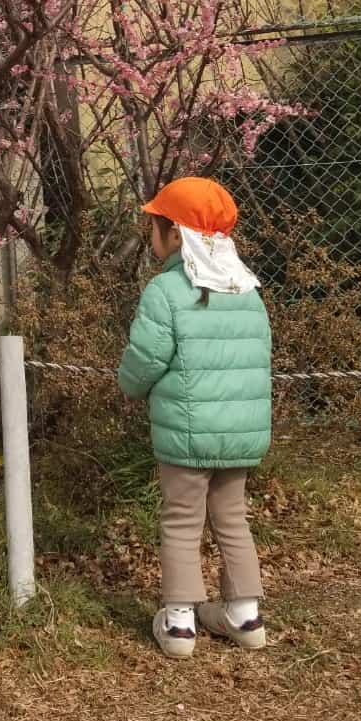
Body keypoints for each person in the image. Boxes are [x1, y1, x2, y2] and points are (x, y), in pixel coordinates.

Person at [117, 177, 272, 660]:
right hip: (241, 434)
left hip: (186, 434)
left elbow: (146, 358)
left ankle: (181, 622)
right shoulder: (248, 288)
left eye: (155, 226)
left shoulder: (165, 291)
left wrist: (129, 386)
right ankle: (245, 616)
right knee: (232, 519)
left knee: (182, 520)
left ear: (175, 234)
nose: (150, 235)